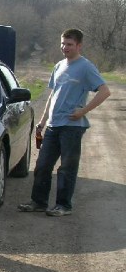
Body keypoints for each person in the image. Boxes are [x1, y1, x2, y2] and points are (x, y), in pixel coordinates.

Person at [17, 28, 111, 217]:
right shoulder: (59, 66)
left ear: (79, 45)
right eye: (62, 43)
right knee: (42, 165)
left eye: (69, 44)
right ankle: (39, 202)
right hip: (53, 125)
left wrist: (83, 111)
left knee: (67, 168)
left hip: (72, 127)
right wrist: (42, 121)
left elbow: (104, 91)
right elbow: (52, 95)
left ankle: (63, 206)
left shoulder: (86, 67)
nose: (64, 47)